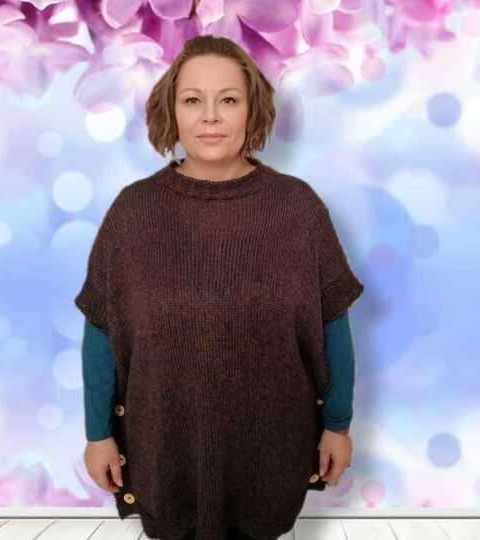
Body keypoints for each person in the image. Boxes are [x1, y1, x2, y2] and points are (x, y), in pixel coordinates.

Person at [77, 35, 364, 540]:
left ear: (253, 110)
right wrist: (98, 433)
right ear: (171, 110)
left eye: (228, 99)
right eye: (193, 100)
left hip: (273, 451)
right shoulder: (133, 213)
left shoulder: (297, 209)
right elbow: (101, 334)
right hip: (162, 452)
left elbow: (332, 327)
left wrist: (337, 425)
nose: (210, 116)